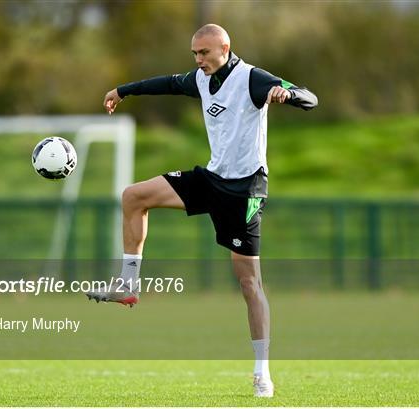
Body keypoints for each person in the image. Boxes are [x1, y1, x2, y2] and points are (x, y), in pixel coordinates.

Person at [87, 23, 318, 398]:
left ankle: (262, 373)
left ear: (225, 48)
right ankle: (128, 284)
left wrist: (286, 94)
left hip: (244, 191)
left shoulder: (252, 79)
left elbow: (310, 98)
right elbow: (165, 83)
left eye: (204, 53)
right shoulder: (200, 78)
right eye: (195, 53)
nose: (198, 60)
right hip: (211, 179)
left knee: (249, 284)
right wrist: (122, 91)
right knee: (133, 196)